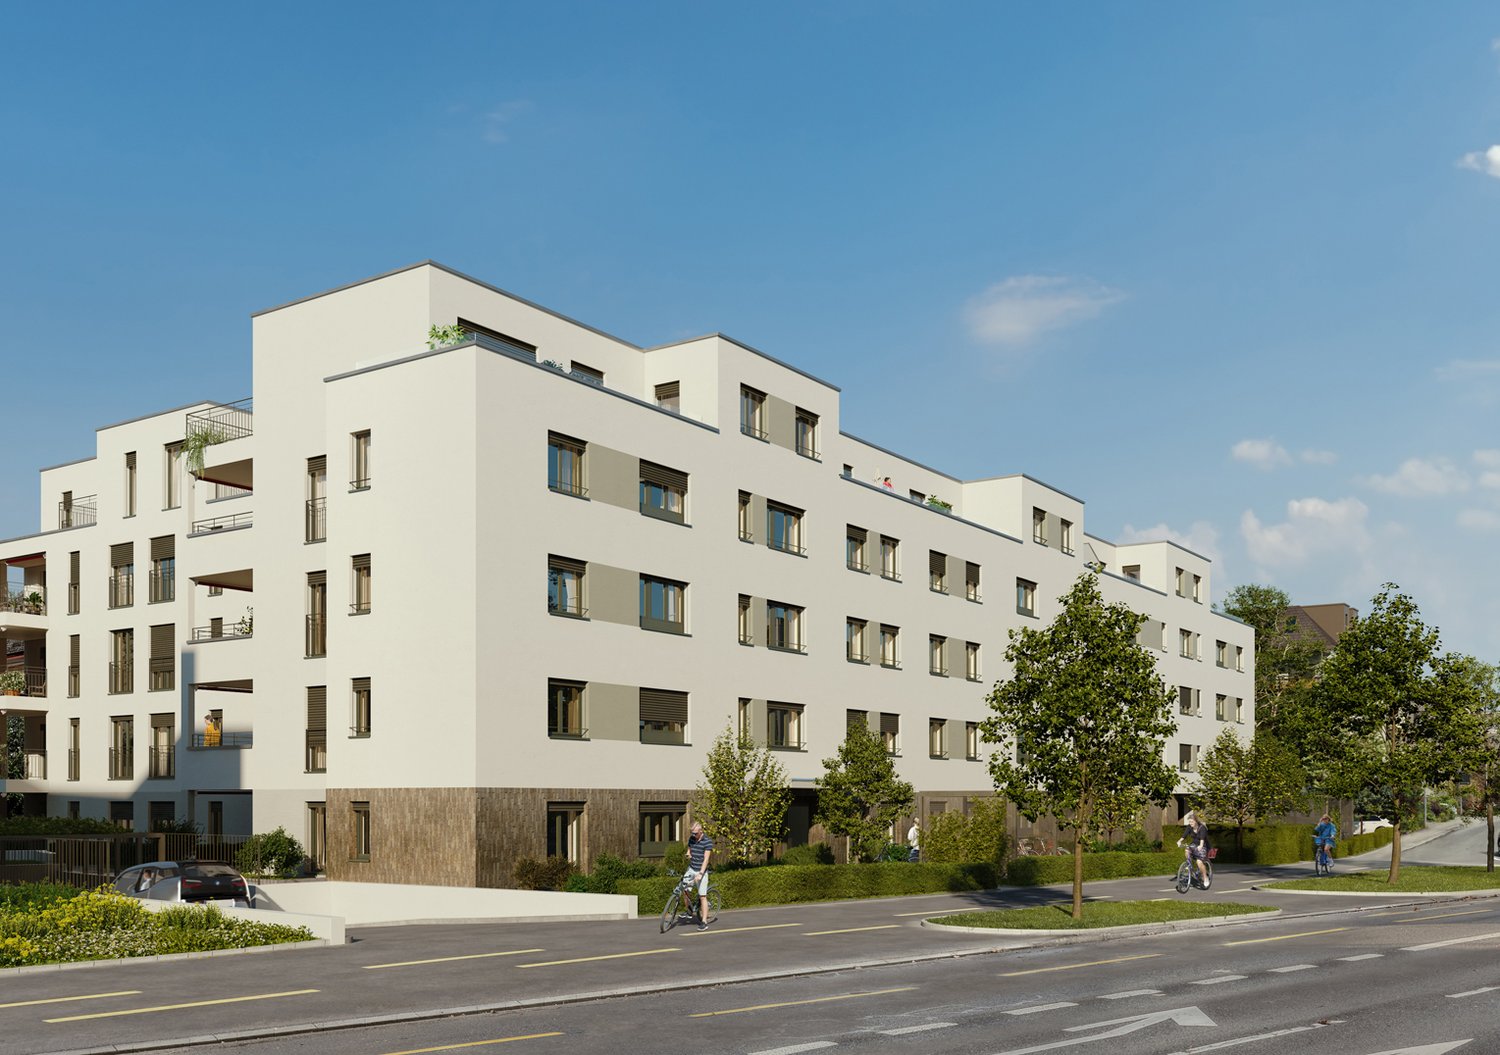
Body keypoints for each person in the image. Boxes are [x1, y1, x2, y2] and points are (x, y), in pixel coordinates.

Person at [684, 821, 714, 930]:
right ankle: (689, 910)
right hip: (691, 869)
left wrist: (701, 874)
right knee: (685, 889)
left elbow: (706, 859)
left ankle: (704, 922)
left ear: (701, 831)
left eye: (695, 833)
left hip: (701, 871)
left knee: (702, 896)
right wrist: (688, 853)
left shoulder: (707, 842)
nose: (693, 835)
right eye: (692, 833)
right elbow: (689, 849)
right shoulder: (692, 839)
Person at [1181, 810, 1211, 888]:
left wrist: (1201, 846)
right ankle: (1188, 864)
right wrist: (1179, 841)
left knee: (1199, 862)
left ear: (1196, 821)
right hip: (1194, 844)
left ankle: (1205, 878)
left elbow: (1202, 838)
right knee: (1187, 849)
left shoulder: (1202, 828)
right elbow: (1184, 835)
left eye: (1192, 822)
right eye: (1189, 822)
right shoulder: (1189, 827)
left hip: (1204, 845)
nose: (1190, 823)